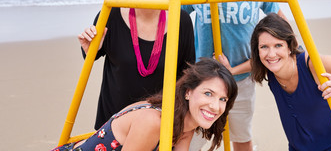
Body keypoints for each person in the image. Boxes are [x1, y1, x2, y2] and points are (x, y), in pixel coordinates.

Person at [181, 0, 286, 150]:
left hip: (241, 79)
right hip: (202, 80)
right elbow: (176, 20)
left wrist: (235, 70)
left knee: (241, 137)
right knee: (189, 140)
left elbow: (280, 29)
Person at [78, 0, 195, 130]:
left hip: (158, 125)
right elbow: (91, 54)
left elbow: (187, 73)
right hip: (112, 126)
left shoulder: (180, 19)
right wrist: (89, 48)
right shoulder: (111, 14)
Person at [51, 58, 238, 151]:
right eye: (208, 94)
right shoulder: (153, 121)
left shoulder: (186, 126)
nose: (215, 106)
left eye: (223, 99)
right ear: (188, 92)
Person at [250, 13, 331, 150]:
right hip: (302, 146)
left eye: (278, 45)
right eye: (264, 47)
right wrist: (232, 70)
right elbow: (251, 63)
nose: (271, 54)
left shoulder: (312, 63)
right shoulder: (269, 67)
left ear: (290, 47)